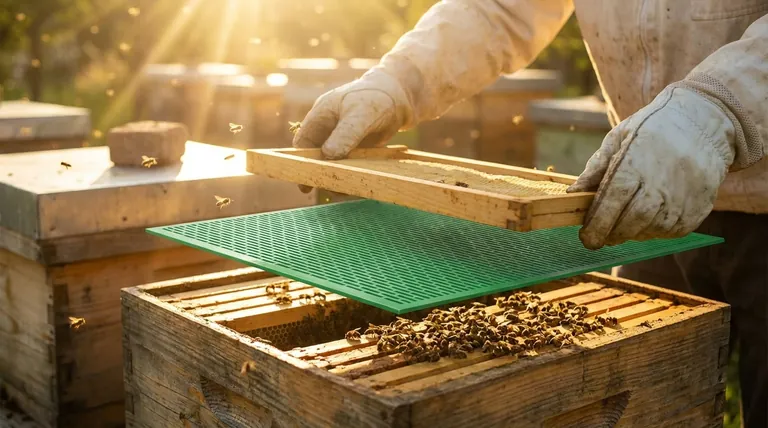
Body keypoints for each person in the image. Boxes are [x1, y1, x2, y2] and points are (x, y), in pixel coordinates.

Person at [292, 1, 768, 425]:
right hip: (641, 202)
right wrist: (398, 81)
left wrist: (716, 111)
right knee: (645, 398)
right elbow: (497, 8)